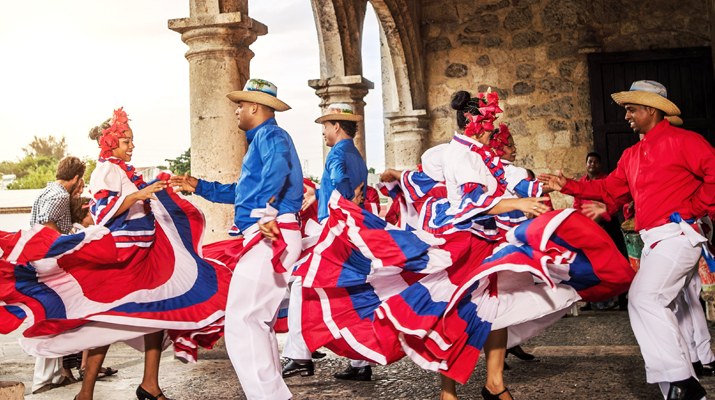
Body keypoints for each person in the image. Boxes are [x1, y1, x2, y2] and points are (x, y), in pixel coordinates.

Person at [539, 80, 715, 400]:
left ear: (652, 109)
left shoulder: (685, 141)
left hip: (678, 236)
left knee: (645, 299)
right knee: (649, 306)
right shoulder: (632, 154)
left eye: (631, 110)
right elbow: (608, 190)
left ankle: (683, 381)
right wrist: (566, 185)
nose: (626, 116)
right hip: (653, 241)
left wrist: (696, 207)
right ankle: (678, 388)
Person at [170, 78, 304, 400]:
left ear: (255, 107)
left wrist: (265, 215)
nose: (237, 112)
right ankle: (273, 395)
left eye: (240, 106)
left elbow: (277, 173)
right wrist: (199, 186)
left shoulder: (270, 135)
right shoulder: (263, 139)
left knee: (243, 322)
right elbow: (242, 192)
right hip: (271, 231)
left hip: (271, 233)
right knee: (257, 322)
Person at [281, 103, 373, 382]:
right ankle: (359, 362)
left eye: (325, 126)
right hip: (350, 227)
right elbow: (347, 188)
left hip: (335, 227)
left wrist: (342, 199)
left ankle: (299, 355)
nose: (323, 132)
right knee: (350, 290)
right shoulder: (356, 154)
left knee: (301, 281)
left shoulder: (336, 153)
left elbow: (341, 184)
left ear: (336, 125)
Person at [28, 156, 86, 394]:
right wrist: (66, 240)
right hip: (49, 262)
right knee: (53, 318)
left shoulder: (46, 191)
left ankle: (55, 375)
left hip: (37, 261)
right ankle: (44, 380)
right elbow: (47, 224)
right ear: (76, 178)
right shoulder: (60, 195)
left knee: (54, 317)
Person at [572, 152, 627, 311]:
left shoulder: (607, 181)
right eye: (590, 161)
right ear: (586, 164)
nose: (592, 164)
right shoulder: (581, 183)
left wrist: (600, 217)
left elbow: (614, 204)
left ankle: (622, 299)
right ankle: (590, 300)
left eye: (596, 162)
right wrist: (585, 222)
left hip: (608, 224)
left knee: (617, 260)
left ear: (600, 165)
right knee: (589, 263)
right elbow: (577, 206)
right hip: (588, 227)